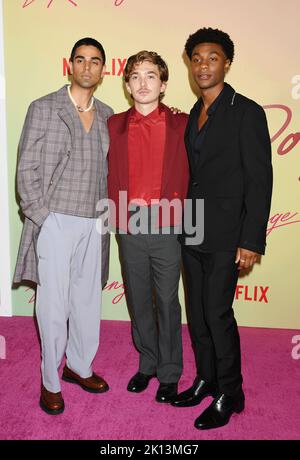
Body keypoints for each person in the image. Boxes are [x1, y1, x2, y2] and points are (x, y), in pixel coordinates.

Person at [171, 28, 273, 429]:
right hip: (193, 229)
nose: (203, 65)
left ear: (226, 62)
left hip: (229, 233)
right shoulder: (194, 113)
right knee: (196, 314)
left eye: (212, 57)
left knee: (217, 313)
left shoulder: (246, 111)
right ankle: (206, 379)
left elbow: (259, 180)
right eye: (196, 58)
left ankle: (231, 391)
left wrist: (251, 239)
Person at [14, 38, 113, 415]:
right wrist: (42, 216)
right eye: (81, 60)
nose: (87, 67)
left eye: (95, 61)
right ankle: (50, 381)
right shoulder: (43, 107)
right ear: (70, 65)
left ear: (104, 69)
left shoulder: (108, 114)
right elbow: (27, 167)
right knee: (53, 304)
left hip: (95, 221)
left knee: (87, 300)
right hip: (55, 219)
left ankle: (79, 366)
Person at [107, 51, 189, 403]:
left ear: (164, 83)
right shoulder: (113, 124)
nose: (143, 83)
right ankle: (148, 363)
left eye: (151, 75)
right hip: (129, 220)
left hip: (168, 218)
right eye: (135, 76)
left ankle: (170, 372)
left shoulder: (182, 123)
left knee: (168, 300)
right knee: (138, 296)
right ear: (127, 85)